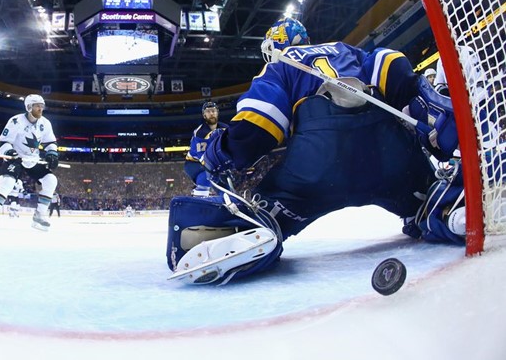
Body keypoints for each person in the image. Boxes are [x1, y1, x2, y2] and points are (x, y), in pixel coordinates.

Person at [166, 17, 463, 284]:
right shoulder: (345, 49)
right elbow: (391, 64)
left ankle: (245, 234)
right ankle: (445, 209)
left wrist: (222, 153)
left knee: (265, 217)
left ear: (273, 46)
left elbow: (258, 129)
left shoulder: (280, 66)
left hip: (318, 163)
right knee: (425, 196)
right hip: (388, 152)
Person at [0, 94, 60, 231]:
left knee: (51, 180)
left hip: (32, 159)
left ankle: (39, 215)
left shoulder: (45, 123)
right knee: (7, 182)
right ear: (29, 107)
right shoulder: (16, 121)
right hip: (16, 158)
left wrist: (52, 154)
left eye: (42, 106)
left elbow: (50, 143)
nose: (40, 109)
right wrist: (10, 153)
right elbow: (2, 142)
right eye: (37, 106)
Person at [184, 101, 229, 197]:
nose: (211, 113)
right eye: (208, 112)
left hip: (213, 161)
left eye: (213, 111)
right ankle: (199, 196)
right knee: (208, 177)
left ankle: (227, 201)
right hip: (194, 164)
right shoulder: (200, 133)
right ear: (204, 115)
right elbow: (204, 159)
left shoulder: (226, 129)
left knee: (226, 188)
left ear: (217, 112)